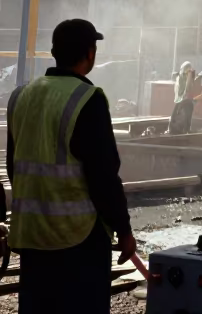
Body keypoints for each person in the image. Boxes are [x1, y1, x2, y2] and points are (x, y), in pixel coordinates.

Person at [7, 19, 136, 314]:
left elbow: (14, 165)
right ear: (90, 54)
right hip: (77, 239)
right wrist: (124, 230)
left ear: (54, 52)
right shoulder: (87, 99)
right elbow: (103, 176)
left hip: (32, 235)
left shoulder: (21, 95)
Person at [169, 60, 202, 135]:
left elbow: (190, 86)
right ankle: (184, 130)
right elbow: (187, 89)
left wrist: (196, 78)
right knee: (187, 110)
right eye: (188, 70)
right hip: (183, 101)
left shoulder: (183, 77)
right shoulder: (181, 78)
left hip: (184, 100)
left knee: (188, 110)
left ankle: (186, 129)